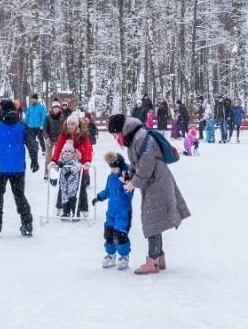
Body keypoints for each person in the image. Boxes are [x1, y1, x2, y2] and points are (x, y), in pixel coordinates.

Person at [106, 113, 190, 275]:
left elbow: (146, 166)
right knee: (154, 219)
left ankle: (152, 261)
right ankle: (159, 257)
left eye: (115, 134)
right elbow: (135, 164)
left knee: (151, 219)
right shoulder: (134, 137)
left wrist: (133, 183)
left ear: (121, 130)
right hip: (153, 181)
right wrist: (127, 177)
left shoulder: (141, 137)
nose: (116, 138)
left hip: (158, 181)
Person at [0, 97, 35, 237]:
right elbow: (32, 143)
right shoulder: (22, 126)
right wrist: (34, 159)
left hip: (1, 167)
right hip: (18, 167)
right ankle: (27, 222)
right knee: (19, 195)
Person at [94, 152, 135, 269]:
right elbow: (107, 191)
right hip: (111, 212)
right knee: (108, 233)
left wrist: (126, 183)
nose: (113, 170)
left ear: (120, 166)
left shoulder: (126, 174)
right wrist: (99, 197)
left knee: (120, 234)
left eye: (115, 168)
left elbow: (129, 192)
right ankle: (110, 255)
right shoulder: (110, 177)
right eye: (111, 168)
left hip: (123, 212)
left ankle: (124, 256)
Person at [51, 111, 93, 219]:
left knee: (81, 187)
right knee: (63, 186)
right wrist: (54, 160)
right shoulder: (64, 134)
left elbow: (88, 148)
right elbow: (58, 146)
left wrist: (87, 161)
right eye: (69, 124)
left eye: (73, 124)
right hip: (66, 163)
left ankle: (84, 209)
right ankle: (60, 207)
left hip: (80, 164)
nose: (70, 126)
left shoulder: (83, 135)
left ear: (77, 124)